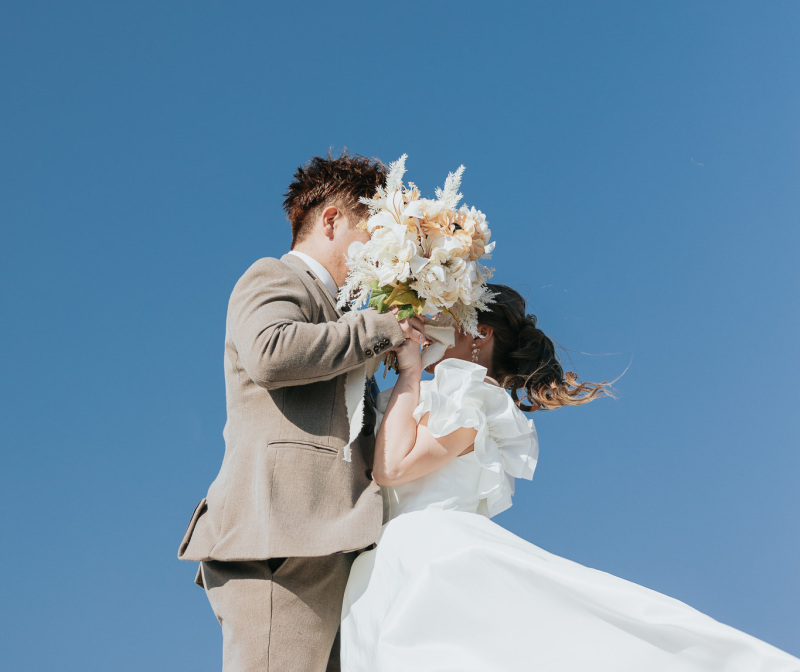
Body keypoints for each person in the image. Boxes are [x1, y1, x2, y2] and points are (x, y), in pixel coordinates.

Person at [340, 284, 800, 671]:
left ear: (479, 333)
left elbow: (392, 468)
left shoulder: (474, 399)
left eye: (444, 316)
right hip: (383, 562)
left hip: (429, 553)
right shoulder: (432, 390)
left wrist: (409, 369)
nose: (430, 323)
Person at [178, 151, 430, 672]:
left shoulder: (343, 318)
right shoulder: (275, 275)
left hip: (331, 541)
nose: (383, 252)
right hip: (281, 541)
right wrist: (380, 328)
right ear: (332, 220)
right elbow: (270, 351)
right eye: (374, 232)